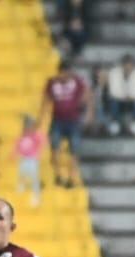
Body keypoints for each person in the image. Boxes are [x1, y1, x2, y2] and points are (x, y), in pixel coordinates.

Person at [40, 60, 91, 188]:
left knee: (74, 149)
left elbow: (87, 96)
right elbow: (46, 100)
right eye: (63, 73)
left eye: (67, 73)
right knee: (54, 148)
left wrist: (88, 114)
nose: (65, 76)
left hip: (73, 121)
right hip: (57, 120)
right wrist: (41, 119)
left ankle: (72, 176)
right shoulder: (52, 83)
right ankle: (58, 175)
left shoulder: (77, 83)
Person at [15, 115, 45, 207]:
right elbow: (18, 146)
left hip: (32, 160)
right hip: (23, 159)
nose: (29, 128)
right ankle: (20, 194)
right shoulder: (22, 137)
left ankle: (36, 198)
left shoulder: (36, 136)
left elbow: (42, 141)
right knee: (21, 176)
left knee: (34, 178)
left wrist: (38, 154)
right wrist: (14, 154)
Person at [106, 54, 135, 137]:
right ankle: (114, 123)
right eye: (127, 65)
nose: (128, 67)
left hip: (132, 100)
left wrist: (131, 96)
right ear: (123, 65)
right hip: (118, 99)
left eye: (130, 65)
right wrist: (124, 96)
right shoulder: (114, 73)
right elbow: (114, 91)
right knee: (113, 100)